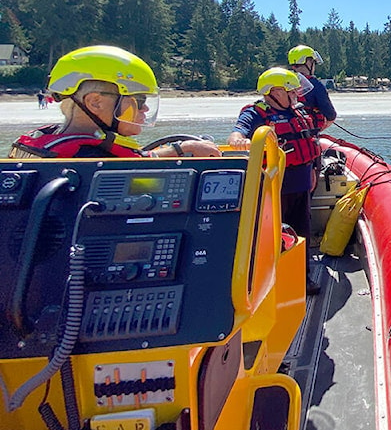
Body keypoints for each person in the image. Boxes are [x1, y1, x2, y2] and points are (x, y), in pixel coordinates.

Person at [10, 45, 221, 159]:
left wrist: (181, 148)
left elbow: (138, 158)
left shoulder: (51, 142)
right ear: (96, 103)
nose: (145, 108)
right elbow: (134, 170)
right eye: (138, 100)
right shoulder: (91, 160)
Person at [228, 67, 320, 294]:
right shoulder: (255, 114)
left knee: (301, 232)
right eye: (290, 91)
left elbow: (311, 142)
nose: (295, 95)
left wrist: (313, 170)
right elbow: (237, 132)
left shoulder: (297, 112)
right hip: (275, 186)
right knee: (273, 235)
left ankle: (302, 277)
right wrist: (239, 140)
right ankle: (270, 282)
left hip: (301, 182)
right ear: (275, 92)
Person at [288, 45, 337, 133]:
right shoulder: (315, 84)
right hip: (306, 132)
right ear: (309, 62)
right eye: (313, 62)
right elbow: (330, 115)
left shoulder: (285, 81)